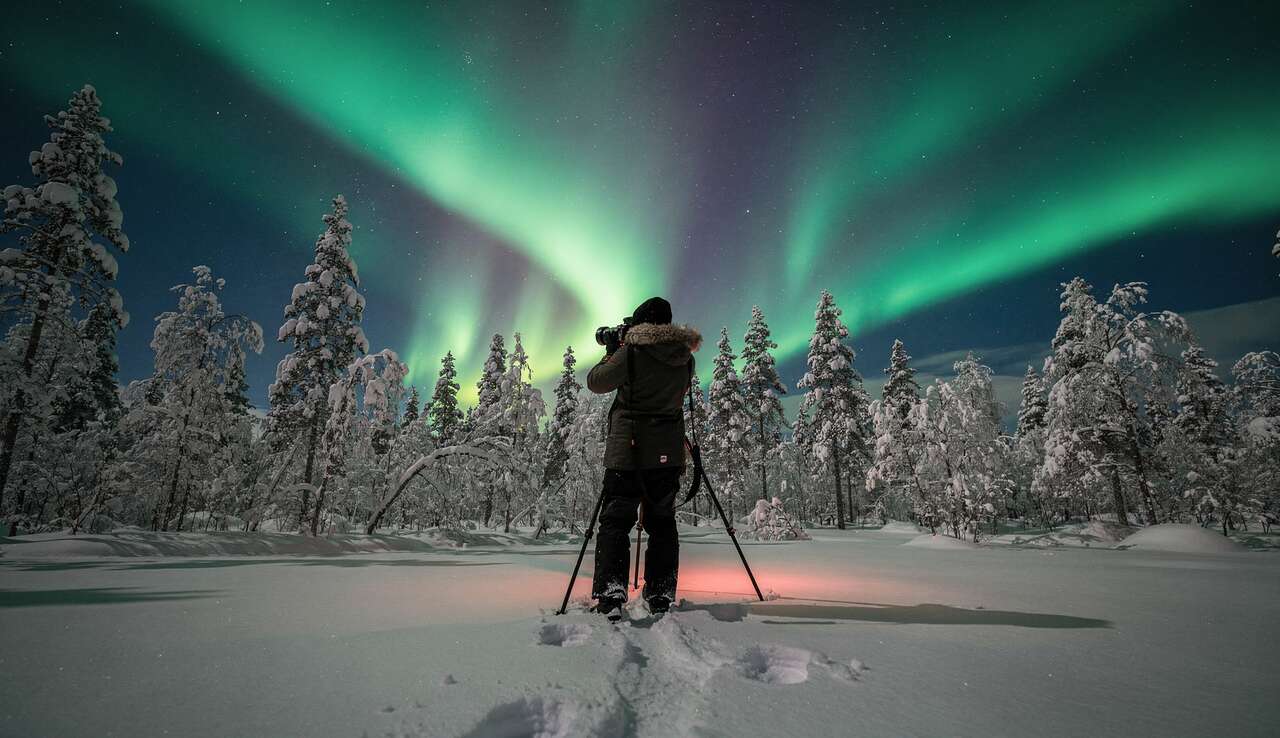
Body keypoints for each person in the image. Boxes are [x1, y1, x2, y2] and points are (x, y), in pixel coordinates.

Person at [586, 296, 702, 617]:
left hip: (629, 454)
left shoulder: (632, 353)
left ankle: (611, 595)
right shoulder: (684, 358)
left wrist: (612, 350)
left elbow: (596, 382)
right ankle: (661, 595)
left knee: (615, 522)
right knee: (662, 523)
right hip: (667, 456)